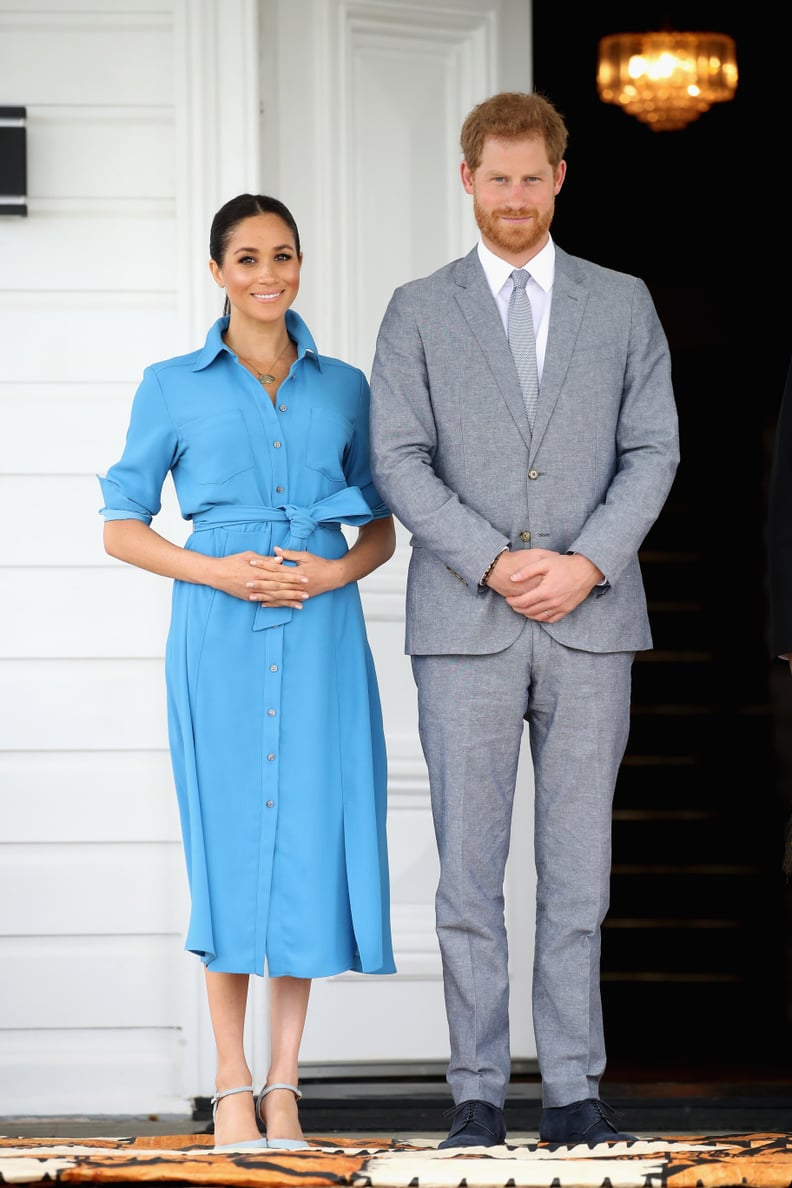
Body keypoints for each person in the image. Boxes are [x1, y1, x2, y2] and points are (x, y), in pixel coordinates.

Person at [369, 91, 679, 1148]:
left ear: (560, 177)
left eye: (530, 177)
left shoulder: (623, 302)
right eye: (495, 178)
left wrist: (587, 561)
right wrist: (497, 562)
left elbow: (655, 449)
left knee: (577, 873)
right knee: (469, 872)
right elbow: (398, 457)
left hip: (592, 622)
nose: (513, 197)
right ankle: (474, 1093)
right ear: (467, 180)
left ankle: (575, 1091)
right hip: (468, 622)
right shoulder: (418, 308)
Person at [99, 193, 396, 1152]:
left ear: (300, 265)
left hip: (320, 633)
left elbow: (383, 524)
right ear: (218, 270)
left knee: (305, 840)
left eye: (283, 256)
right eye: (247, 258)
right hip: (218, 638)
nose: (268, 275)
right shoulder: (170, 384)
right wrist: (216, 569)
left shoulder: (345, 385)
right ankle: (229, 1084)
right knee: (230, 846)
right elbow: (121, 526)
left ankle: (284, 1087)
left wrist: (336, 568)